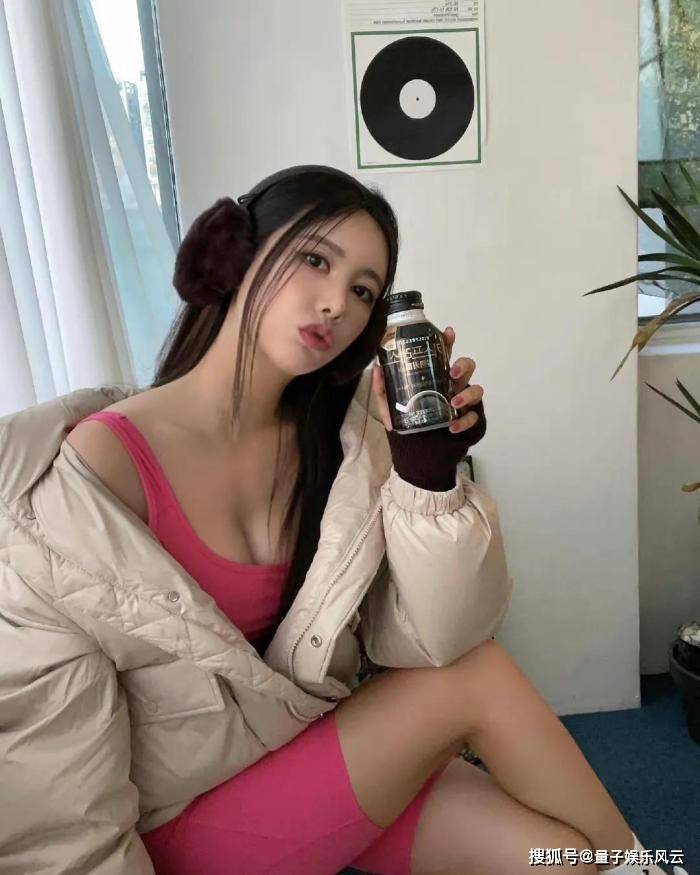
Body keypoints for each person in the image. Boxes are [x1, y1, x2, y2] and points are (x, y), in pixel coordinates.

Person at [0, 165, 682, 875]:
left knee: (564, 859)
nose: (334, 304)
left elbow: (441, 637)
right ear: (233, 252)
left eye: (362, 290)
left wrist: (427, 479)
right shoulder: (97, 470)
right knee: (474, 681)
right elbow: (53, 773)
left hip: (306, 748)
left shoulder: (344, 440)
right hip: (178, 824)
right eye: (315, 260)